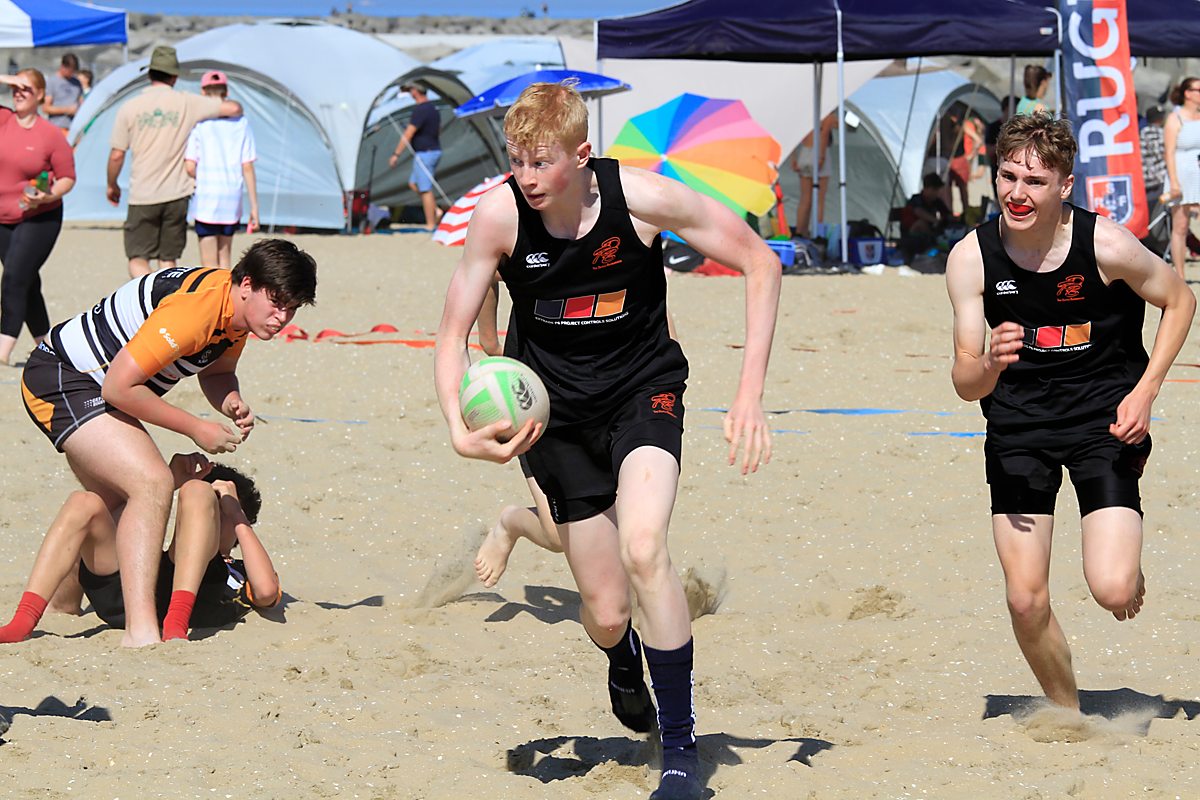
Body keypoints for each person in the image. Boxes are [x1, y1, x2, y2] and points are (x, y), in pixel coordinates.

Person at [434, 82, 780, 800]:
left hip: (641, 391)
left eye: (540, 162)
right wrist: (458, 431)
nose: (526, 176)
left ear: (582, 154)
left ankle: (680, 755)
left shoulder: (644, 200)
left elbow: (761, 261)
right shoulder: (500, 216)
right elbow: (450, 334)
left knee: (645, 547)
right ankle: (622, 657)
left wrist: (749, 393)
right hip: (551, 416)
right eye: (516, 161)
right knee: (607, 609)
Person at [945, 112, 1195, 710]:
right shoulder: (972, 257)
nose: (1017, 193)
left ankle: (1125, 566)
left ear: (1064, 185)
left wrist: (1145, 392)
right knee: (1025, 599)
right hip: (1018, 428)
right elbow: (965, 384)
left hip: (1103, 422)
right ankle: (1066, 712)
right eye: (1008, 177)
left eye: (1035, 181)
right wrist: (990, 363)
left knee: (1113, 590)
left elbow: (1180, 300)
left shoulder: (1105, 244)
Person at [19, 238, 316, 647]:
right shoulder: (198, 311)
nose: (283, 317)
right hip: (64, 375)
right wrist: (196, 427)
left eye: (293, 308)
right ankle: (141, 631)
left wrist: (230, 400)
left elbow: (215, 372)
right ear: (247, 284)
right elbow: (119, 388)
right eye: (277, 303)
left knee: (111, 502)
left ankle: (63, 606)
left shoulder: (236, 313)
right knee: (153, 483)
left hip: (93, 383)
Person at [0, 454, 279, 643]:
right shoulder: (169, 554)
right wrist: (169, 483)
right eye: (214, 507)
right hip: (132, 596)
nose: (215, 514)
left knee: (197, 490)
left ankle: (177, 622)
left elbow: (266, 591)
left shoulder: (238, 570)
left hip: (190, 599)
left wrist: (235, 513)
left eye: (220, 508)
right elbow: (121, 530)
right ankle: (23, 621)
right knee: (84, 502)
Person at [107, 45, 243, 278]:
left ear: (150, 74)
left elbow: (117, 155)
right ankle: (165, 296)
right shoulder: (187, 102)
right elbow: (234, 108)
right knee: (168, 259)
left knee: (138, 258)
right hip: (177, 193)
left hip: (143, 193)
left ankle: (147, 294)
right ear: (174, 76)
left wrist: (112, 184)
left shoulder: (129, 107)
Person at [0, 70, 76, 366]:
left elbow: (67, 177)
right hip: (3, 218)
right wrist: (7, 79)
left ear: (41, 95)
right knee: (27, 282)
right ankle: (48, 350)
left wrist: (48, 196)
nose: (19, 92)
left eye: (26, 88)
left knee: (14, 278)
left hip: (40, 216)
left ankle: (2, 350)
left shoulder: (50, 134)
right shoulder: (4, 120)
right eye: (15, 88)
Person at [185, 70, 259, 269]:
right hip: (231, 198)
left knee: (208, 264)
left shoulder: (199, 123)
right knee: (225, 259)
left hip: (206, 198)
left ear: (203, 92)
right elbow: (247, 166)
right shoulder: (241, 123)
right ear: (226, 92)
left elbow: (190, 166)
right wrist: (254, 207)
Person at [387, 82, 442, 231]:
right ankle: (435, 210)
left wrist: (396, 154)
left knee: (425, 189)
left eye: (410, 90)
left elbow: (408, 133)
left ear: (415, 91)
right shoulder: (433, 109)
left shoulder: (421, 109)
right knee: (414, 183)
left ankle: (430, 224)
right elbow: (437, 130)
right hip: (430, 151)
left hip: (426, 153)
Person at [1164, 76, 1200, 278]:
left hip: (1197, 169)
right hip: (1182, 172)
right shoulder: (1175, 118)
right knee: (1181, 225)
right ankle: (1180, 275)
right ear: (1188, 93)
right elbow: (1169, 152)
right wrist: (1174, 182)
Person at [791, 112, 836, 238]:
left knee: (805, 199)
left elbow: (793, 136)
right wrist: (821, 158)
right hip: (819, 152)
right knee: (819, 200)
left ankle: (800, 231)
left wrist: (793, 157)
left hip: (804, 152)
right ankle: (817, 234)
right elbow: (824, 134)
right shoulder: (826, 112)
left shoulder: (804, 112)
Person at [898, 173, 952, 261]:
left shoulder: (936, 201)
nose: (937, 193)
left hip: (929, 234)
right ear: (926, 188)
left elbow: (947, 214)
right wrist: (935, 220)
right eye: (934, 190)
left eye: (938, 190)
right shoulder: (916, 199)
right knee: (921, 224)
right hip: (910, 235)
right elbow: (918, 211)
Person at [41, 54, 82, 135]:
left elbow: (80, 101)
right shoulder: (52, 82)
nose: (72, 73)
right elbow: (45, 108)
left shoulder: (76, 83)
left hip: (74, 129)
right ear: (63, 66)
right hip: (57, 128)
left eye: (73, 71)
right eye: (70, 70)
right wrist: (67, 110)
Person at [1140, 106, 1167, 205]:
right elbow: (1163, 154)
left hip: (1146, 181)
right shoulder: (1159, 132)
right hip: (1160, 179)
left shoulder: (1141, 132)